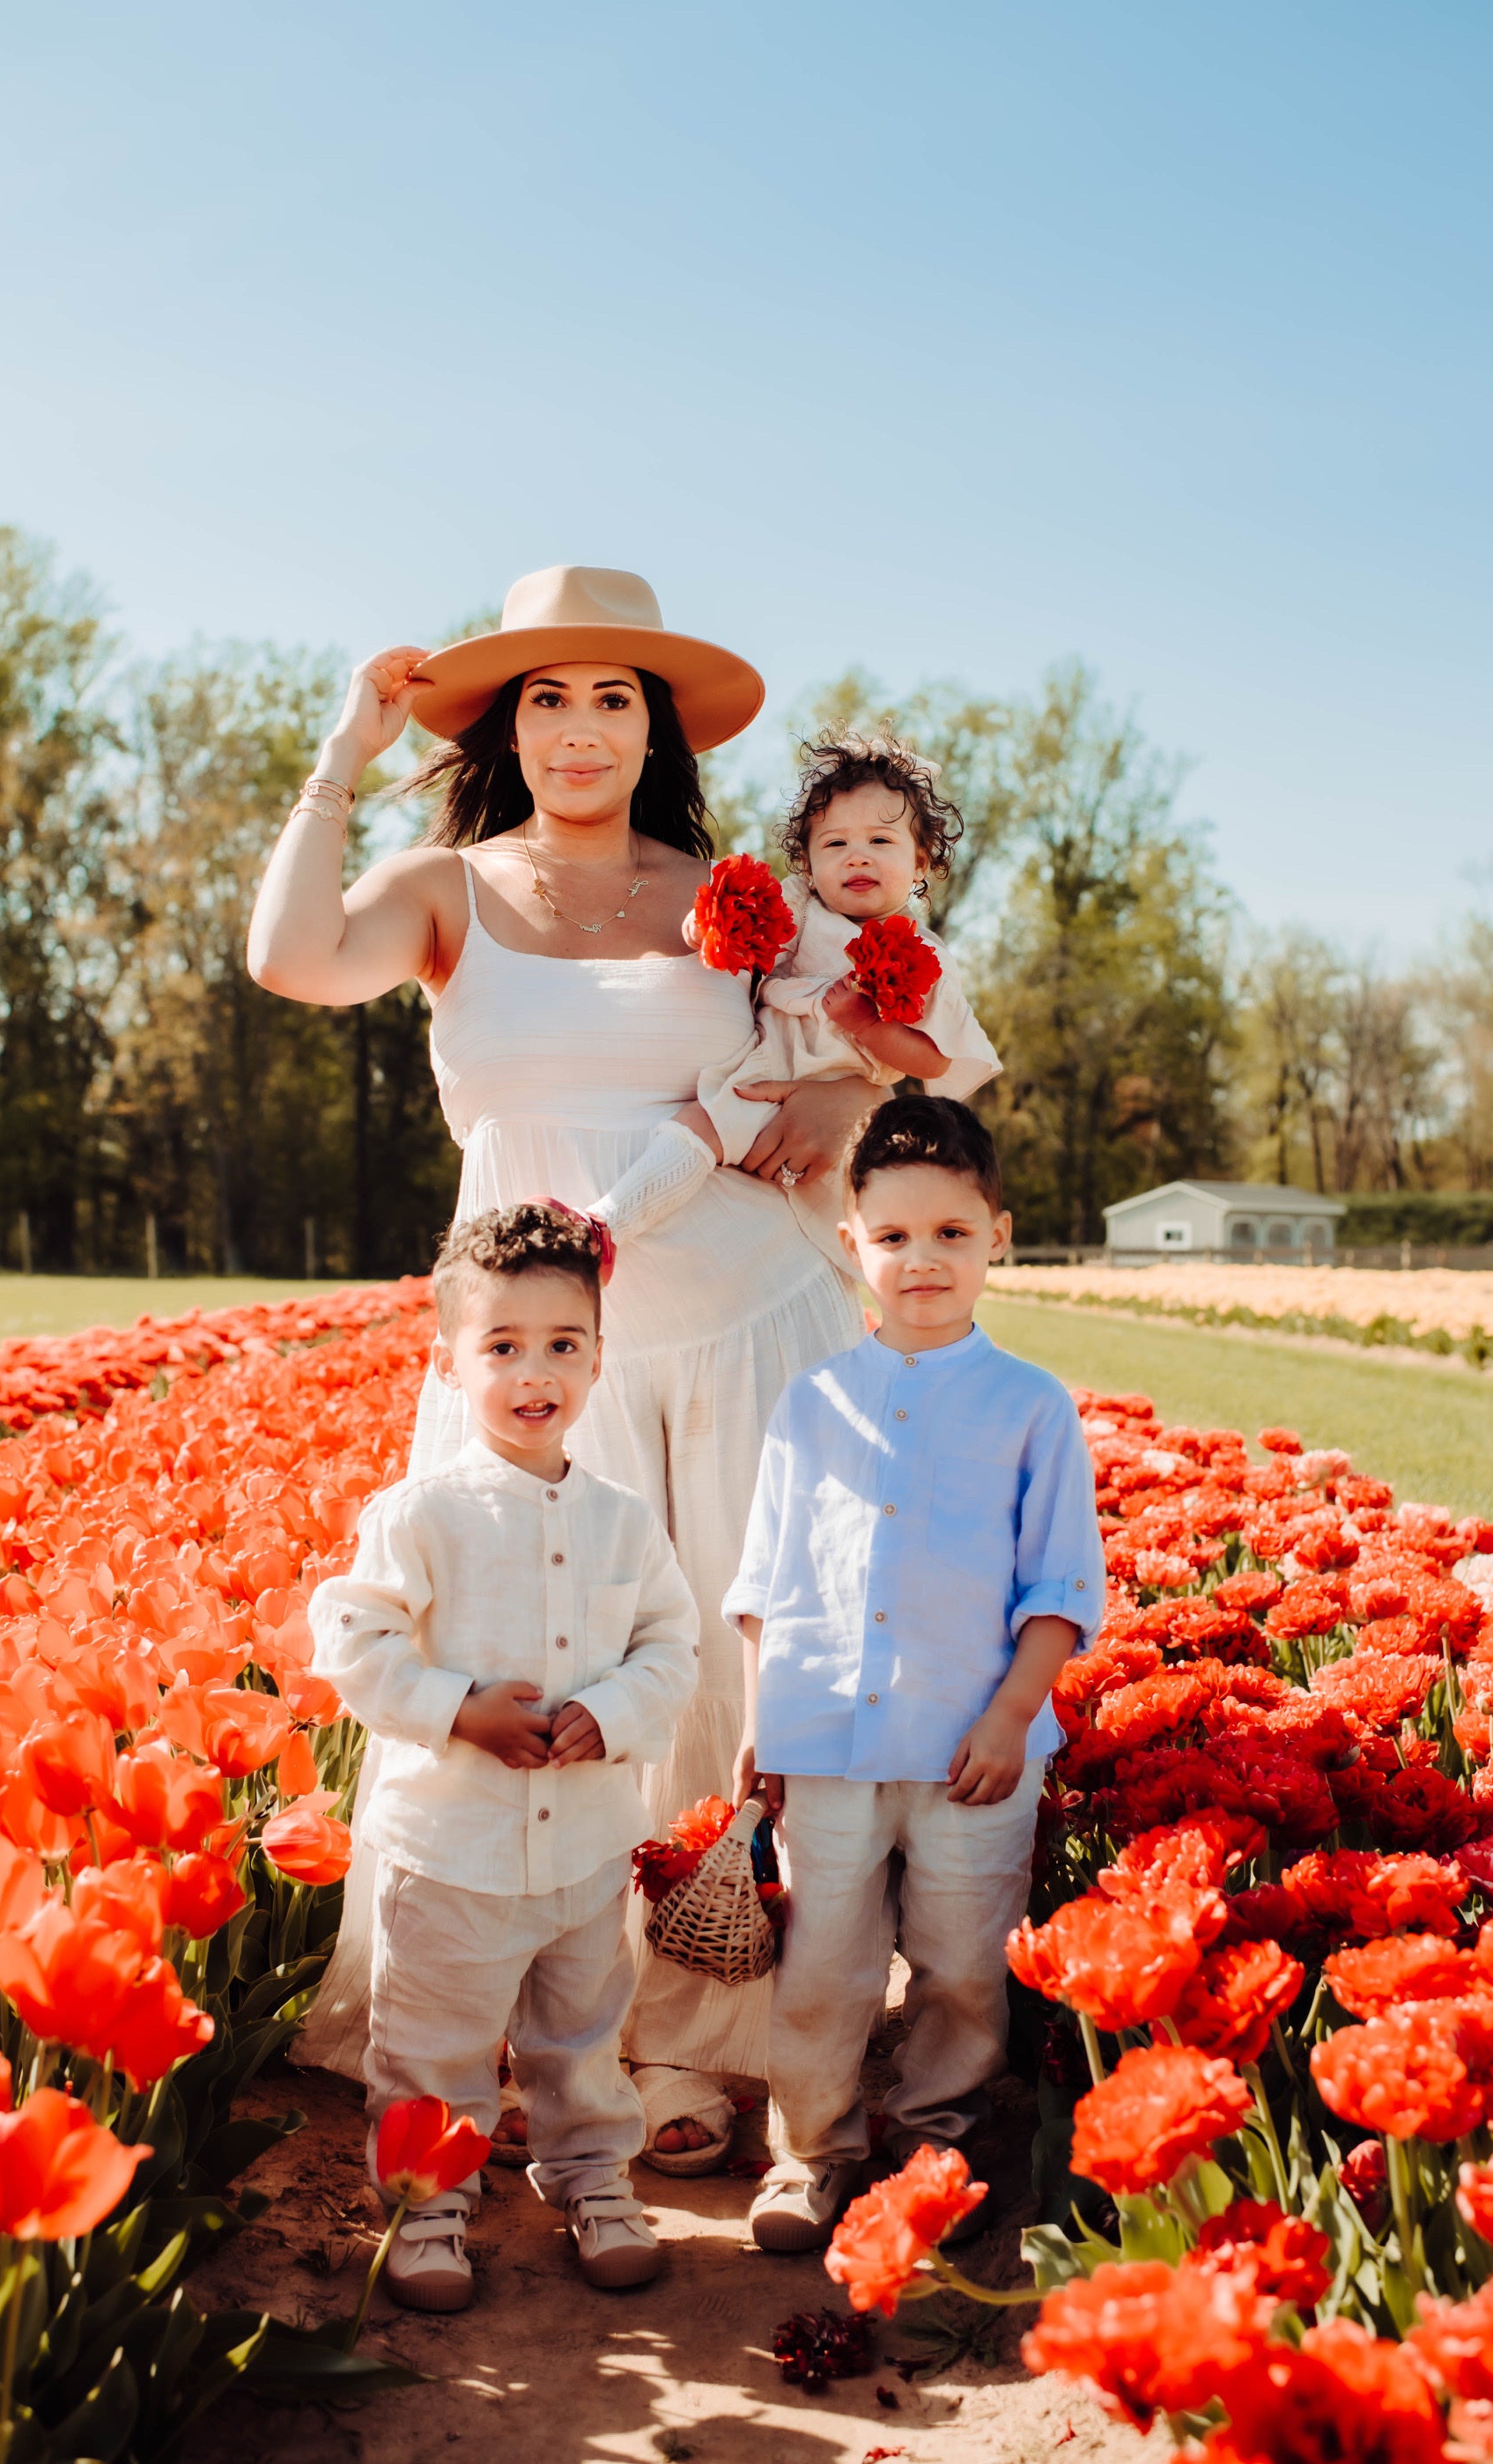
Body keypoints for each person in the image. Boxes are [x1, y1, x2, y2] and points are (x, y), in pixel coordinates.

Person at [249, 566, 881, 2170]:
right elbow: (290, 958)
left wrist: (837, 1109)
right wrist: (345, 746)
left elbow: (848, 1063)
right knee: (535, 1661)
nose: (581, 726)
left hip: (741, 1320)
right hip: (533, 1345)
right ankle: (533, 2041)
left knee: (718, 1678)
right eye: (546, 694)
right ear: (503, 723)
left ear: (654, 724)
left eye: (613, 695)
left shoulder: (734, 894)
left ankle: (699, 2047)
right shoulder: (444, 887)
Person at [726, 1096, 1106, 2253]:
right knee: (822, 1965)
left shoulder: (1029, 1406)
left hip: (968, 1754)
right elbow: (767, 1575)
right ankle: (812, 2152)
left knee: (958, 1967)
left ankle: (932, 2143)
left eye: (948, 1231)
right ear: (851, 1245)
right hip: (827, 1738)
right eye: (891, 1237)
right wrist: (760, 1722)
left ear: (997, 1233)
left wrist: (1008, 1715)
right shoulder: (812, 1400)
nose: (920, 1259)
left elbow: (1058, 1588)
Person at [307, 1204, 698, 2309]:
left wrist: (615, 1710)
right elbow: (353, 1639)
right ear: (447, 1362)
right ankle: (430, 2202)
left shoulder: (624, 1522)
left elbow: (671, 1643)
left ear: (598, 1358)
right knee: (435, 2041)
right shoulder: (421, 1513)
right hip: (453, 1853)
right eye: (503, 1346)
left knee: (580, 2034)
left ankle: (592, 2179)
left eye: (564, 1345)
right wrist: (457, 1708)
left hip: (583, 1846)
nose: (538, 1371)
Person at [588, 734, 1001, 1265]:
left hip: (842, 1100)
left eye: (881, 842)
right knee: (699, 1128)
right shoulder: (802, 910)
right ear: (806, 863)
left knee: (864, 1234)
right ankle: (606, 1224)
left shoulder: (926, 955)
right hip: (766, 1070)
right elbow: (751, 946)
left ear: (920, 862)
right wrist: (708, 929)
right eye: (835, 845)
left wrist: (868, 1026)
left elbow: (934, 1060)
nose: (858, 858)